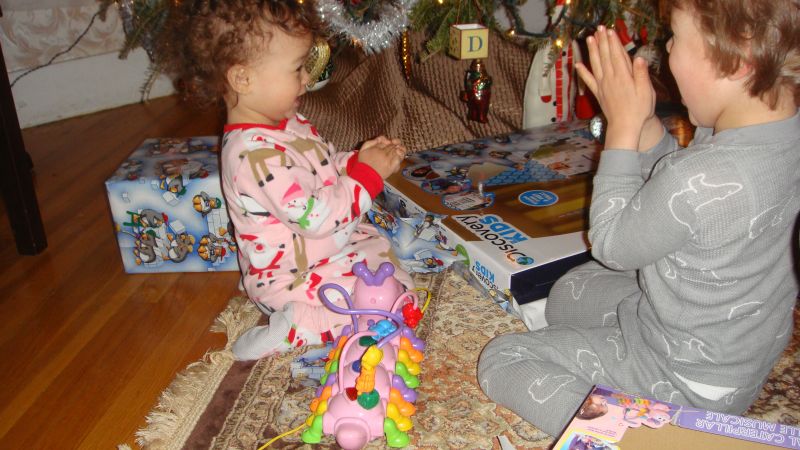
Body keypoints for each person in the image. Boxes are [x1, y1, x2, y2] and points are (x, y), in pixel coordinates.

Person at [478, 0, 799, 437]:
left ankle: (634, 436)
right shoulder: (775, 133)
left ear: (737, 61)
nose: (666, 50)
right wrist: (646, 123)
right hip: (731, 355)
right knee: (567, 293)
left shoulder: (700, 176)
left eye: (676, 38)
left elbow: (613, 247)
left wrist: (623, 130)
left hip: (677, 377)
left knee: (503, 359)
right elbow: (685, 194)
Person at [157, 0, 412, 360]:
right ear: (243, 78)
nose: (307, 79)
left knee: (391, 274)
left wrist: (356, 161)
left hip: (318, 253)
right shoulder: (253, 156)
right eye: (296, 69)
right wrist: (367, 176)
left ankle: (344, 307)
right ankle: (297, 325)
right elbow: (317, 218)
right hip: (289, 279)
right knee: (385, 302)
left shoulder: (287, 123)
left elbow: (322, 168)